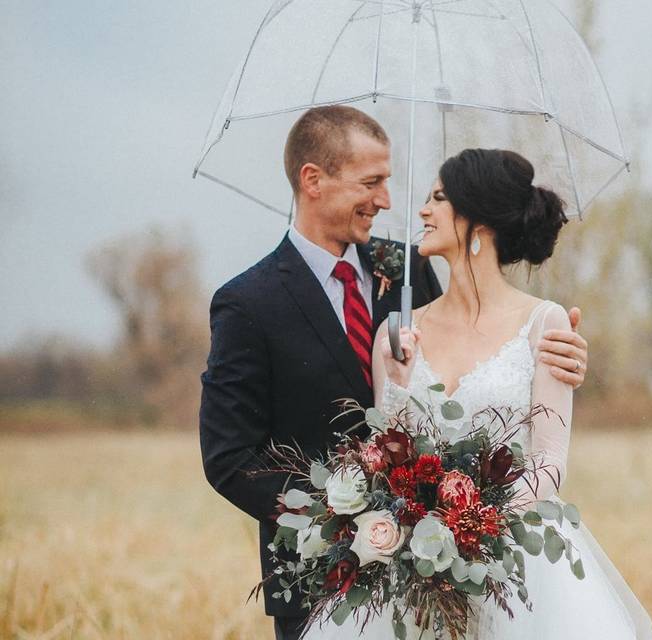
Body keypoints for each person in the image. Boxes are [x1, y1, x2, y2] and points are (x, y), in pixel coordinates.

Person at [199, 107, 590, 640]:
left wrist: (562, 361)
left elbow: (479, 357)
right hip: (325, 576)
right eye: (372, 182)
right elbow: (230, 457)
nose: (387, 200)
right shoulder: (247, 303)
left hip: (483, 569)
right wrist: (347, 520)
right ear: (313, 180)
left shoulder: (409, 270)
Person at [305, 149, 652, 639]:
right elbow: (385, 449)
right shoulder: (397, 330)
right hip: (413, 561)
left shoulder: (544, 322)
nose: (424, 211)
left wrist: (474, 526)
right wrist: (398, 381)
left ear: (481, 221)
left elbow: (550, 461)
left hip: (517, 558)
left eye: (439, 198)